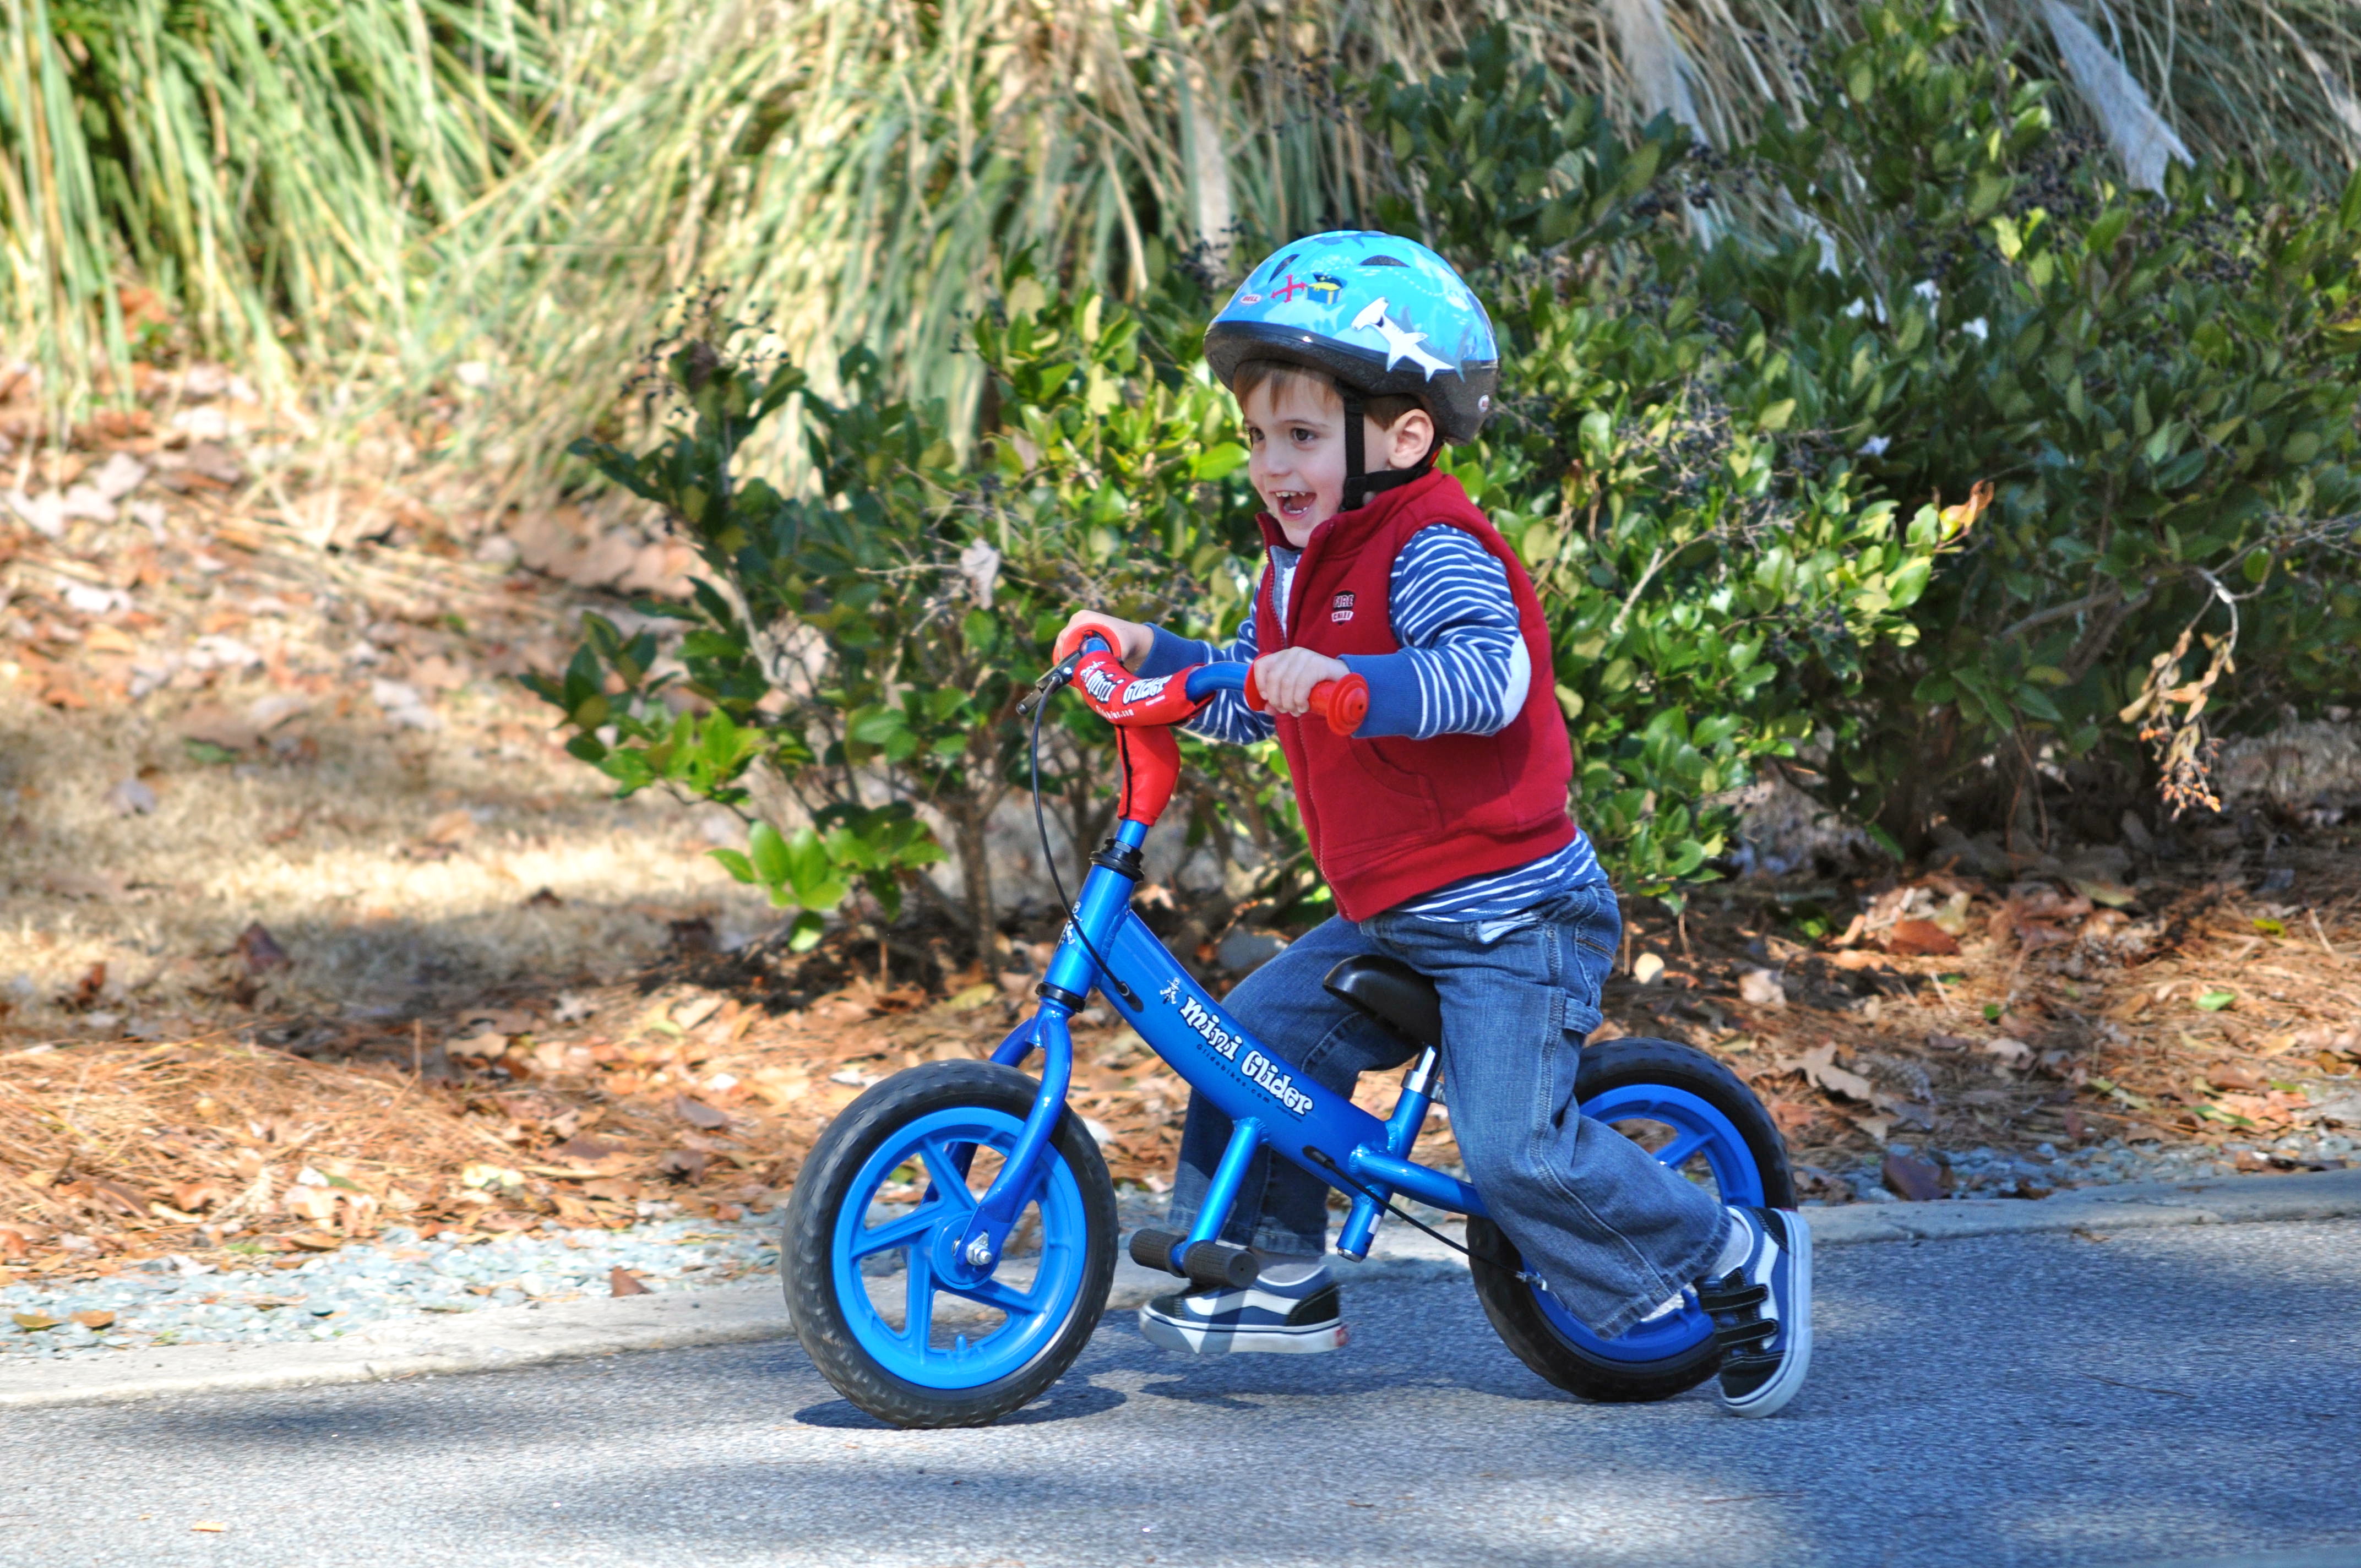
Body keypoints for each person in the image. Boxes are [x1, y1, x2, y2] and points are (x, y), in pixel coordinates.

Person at [1058, 231, 1809, 1416]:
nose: (1269, 463)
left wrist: (1358, 684)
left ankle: (1726, 1248)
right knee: (1248, 1036)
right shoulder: (1297, 565)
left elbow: (1486, 677)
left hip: (1513, 911)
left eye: (1300, 435)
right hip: (1393, 914)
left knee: (1512, 1152)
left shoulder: (1432, 546)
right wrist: (1167, 661)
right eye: (1257, 437)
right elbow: (1266, 698)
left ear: (1399, 437)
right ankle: (1274, 1265)